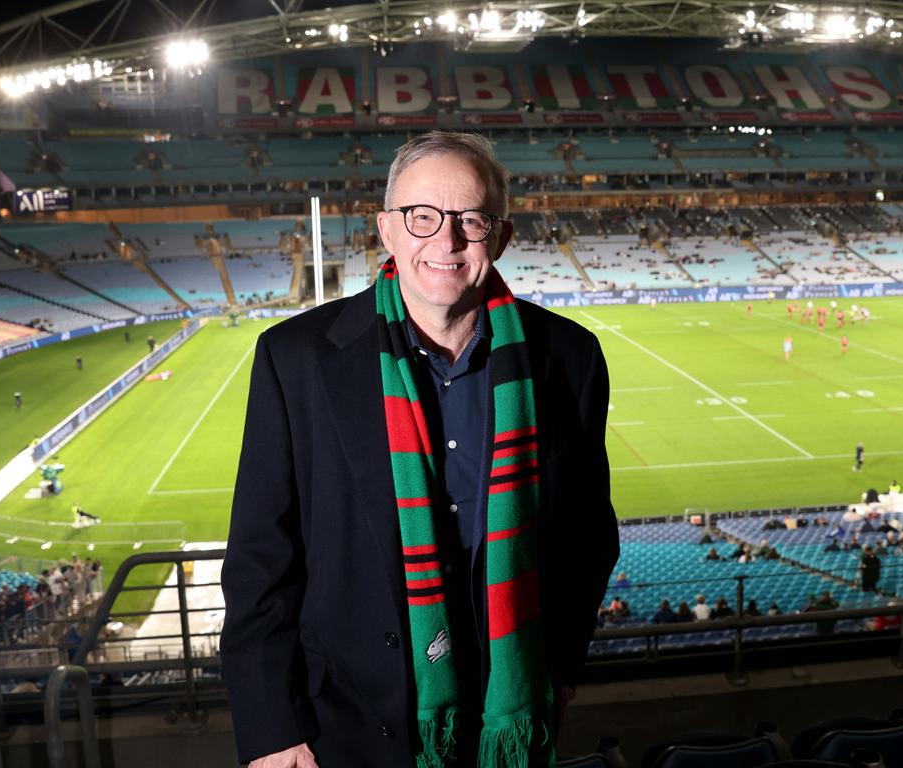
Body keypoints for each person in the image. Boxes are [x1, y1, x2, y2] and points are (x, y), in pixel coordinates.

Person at [221, 132, 617, 768]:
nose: (446, 239)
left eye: (471, 219)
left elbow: (586, 536)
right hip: (342, 721)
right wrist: (272, 728)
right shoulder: (297, 359)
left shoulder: (569, 357)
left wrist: (559, 668)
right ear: (387, 230)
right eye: (422, 216)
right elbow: (261, 559)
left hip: (506, 708)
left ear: (503, 235)